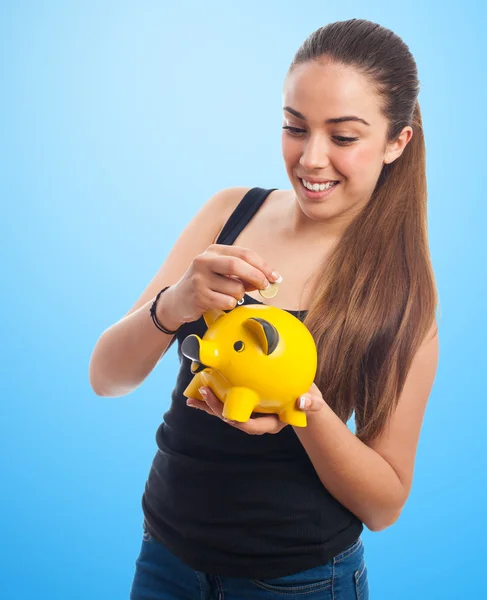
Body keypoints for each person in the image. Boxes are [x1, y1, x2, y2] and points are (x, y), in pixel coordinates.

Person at [89, 18, 439, 600]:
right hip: (164, 556)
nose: (311, 159)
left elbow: (385, 504)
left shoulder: (402, 295)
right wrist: (173, 305)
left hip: (300, 582)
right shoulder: (230, 214)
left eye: (344, 137)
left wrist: (305, 408)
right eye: (294, 128)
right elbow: (107, 378)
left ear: (397, 142)